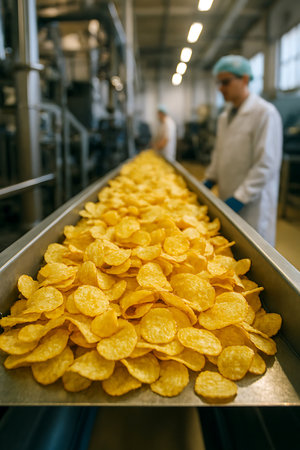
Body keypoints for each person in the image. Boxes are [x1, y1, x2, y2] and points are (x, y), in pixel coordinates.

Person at [203, 55, 283, 245]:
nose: (220, 88)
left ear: (245, 79)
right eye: (218, 83)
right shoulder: (224, 117)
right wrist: (209, 179)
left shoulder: (265, 113)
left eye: (226, 82)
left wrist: (240, 197)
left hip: (253, 204)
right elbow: (220, 153)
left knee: (254, 258)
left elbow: (266, 164)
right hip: (226, 196)